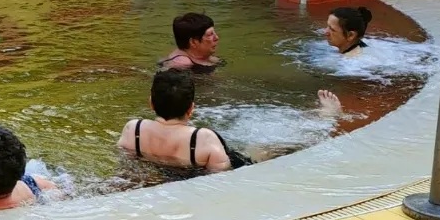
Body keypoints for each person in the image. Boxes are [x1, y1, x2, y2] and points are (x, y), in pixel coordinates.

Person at [118, 70, 342, 173]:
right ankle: (326, 117)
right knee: (273, 149)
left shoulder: (133, 129)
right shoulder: (202, 138)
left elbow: (127, 163)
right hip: (224, 167)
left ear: (151, 103)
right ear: (191, 108)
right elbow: (224, 177)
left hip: (166, 173)